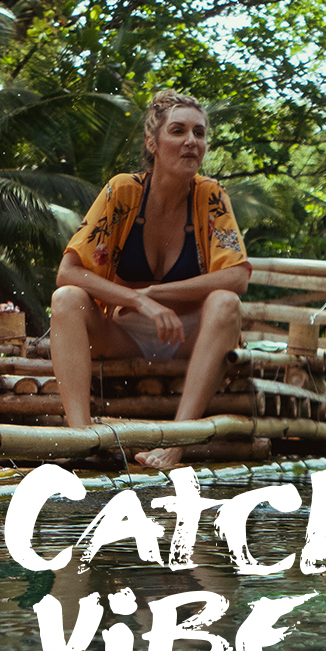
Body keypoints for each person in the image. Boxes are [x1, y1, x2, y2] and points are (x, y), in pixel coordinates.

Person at [51, 89, 252, 471]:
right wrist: (141, 302)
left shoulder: (211, 196)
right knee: (66, 299)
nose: (191, 141)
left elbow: (238, 276)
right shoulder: (123, 191)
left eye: (200, 133)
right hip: (124, 335)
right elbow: (68, 272)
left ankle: (176, 442)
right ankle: (83, 440)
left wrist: (156, 291)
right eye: (178, 131)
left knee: (226, 303)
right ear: (152, 143)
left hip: (189, 339)